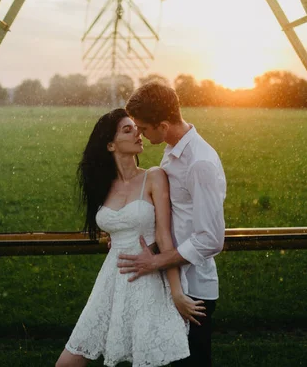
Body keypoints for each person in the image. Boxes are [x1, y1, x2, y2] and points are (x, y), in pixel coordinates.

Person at [56, 108, 205, 367]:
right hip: (111, 281)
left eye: (136, 128)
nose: (138, 134)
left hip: (146, 279)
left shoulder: (154, 176)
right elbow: (113, 227)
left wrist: (177, 293)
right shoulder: (102, 185)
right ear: (111, 145)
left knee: (146, 359)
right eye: (128, 130)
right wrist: (116, 237)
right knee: (69, 361)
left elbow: (164, 236)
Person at [118, 81, 227, 367]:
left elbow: (211, 239)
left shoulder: (198, 163)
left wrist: (157, 261)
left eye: (143, 127)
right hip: (173, 278)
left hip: (193, 290)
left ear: (163, 125)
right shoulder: (173, 149)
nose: (139, 133)